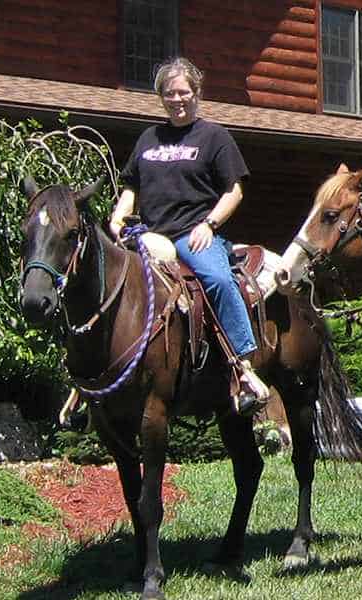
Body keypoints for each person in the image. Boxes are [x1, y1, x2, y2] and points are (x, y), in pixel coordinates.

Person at [108, 57, 271, 414]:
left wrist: (209, 225)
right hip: (149, 235)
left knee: (217, 279)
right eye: (170, 94)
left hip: (192, 234)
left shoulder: (214, 137)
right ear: (161, 98)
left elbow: (234, 191)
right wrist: (119, 216)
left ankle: (243, 366)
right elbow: (132, 187)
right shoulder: (148, 138)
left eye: (184, 92)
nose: (177, 99)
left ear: (197, 94)